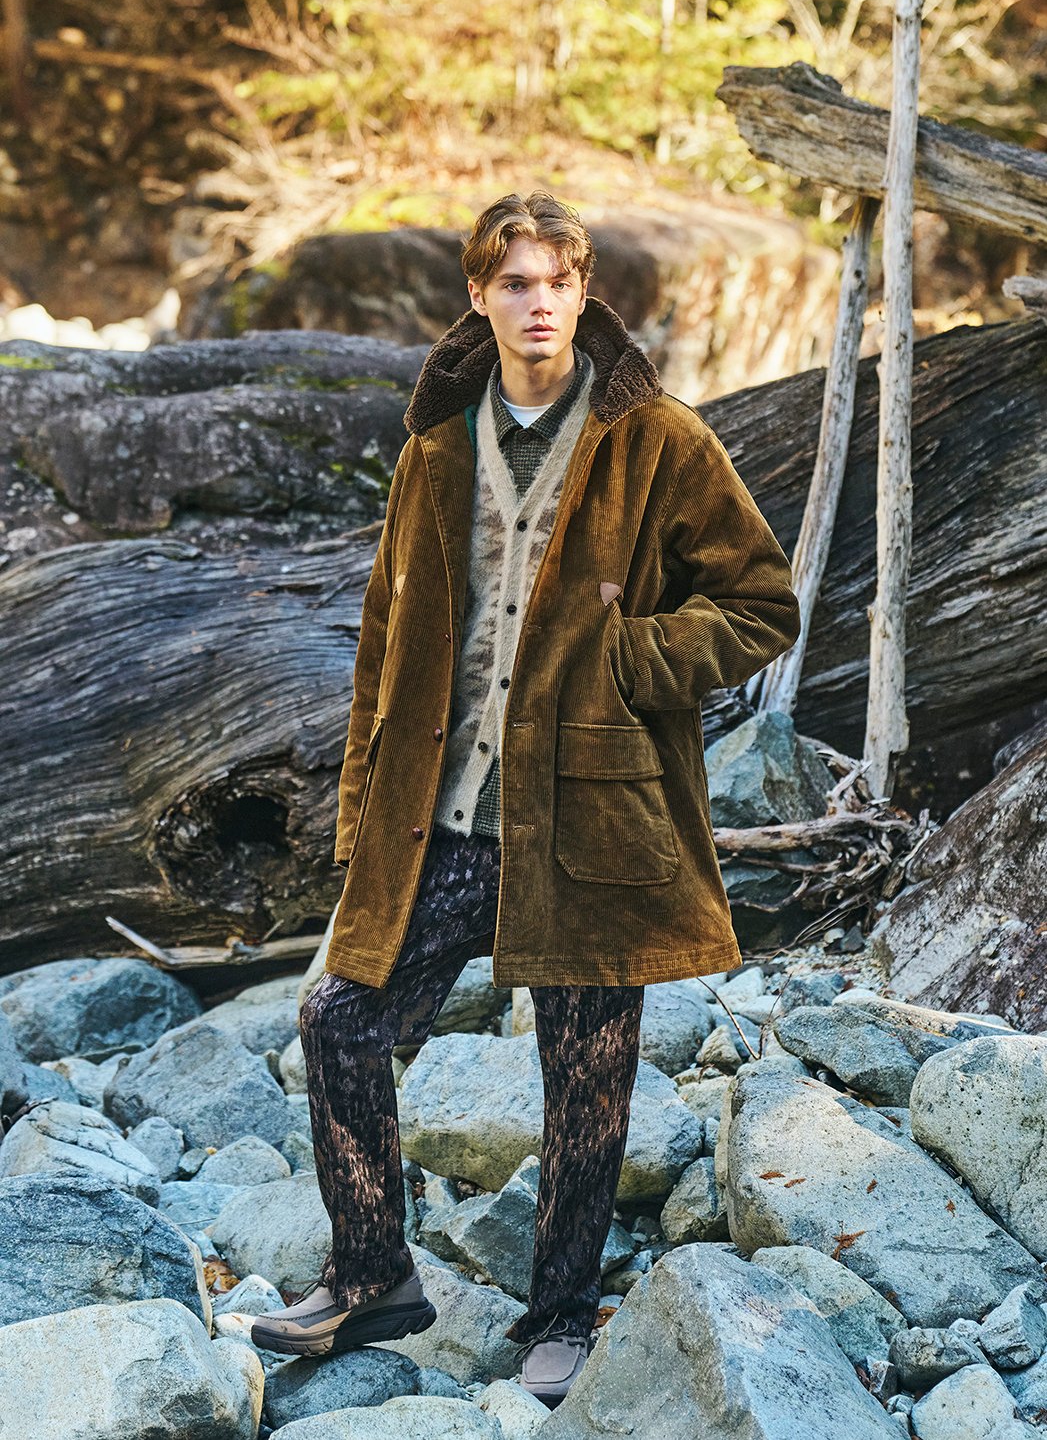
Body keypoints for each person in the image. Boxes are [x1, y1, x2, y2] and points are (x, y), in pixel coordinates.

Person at [251, 191, 801, 1408]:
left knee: (585, 1078)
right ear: (478, 296)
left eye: (557, 281)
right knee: (337, 1018)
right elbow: (383, 638)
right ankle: (373, 1272)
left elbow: (764, 602)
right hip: (445, 816)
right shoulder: (436, 449)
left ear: (584, 290)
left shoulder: (657, 439)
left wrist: (635, 657)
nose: (538, 302)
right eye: (515, 283)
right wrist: (359, 813)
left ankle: (558, 1319)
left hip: (594, 811)